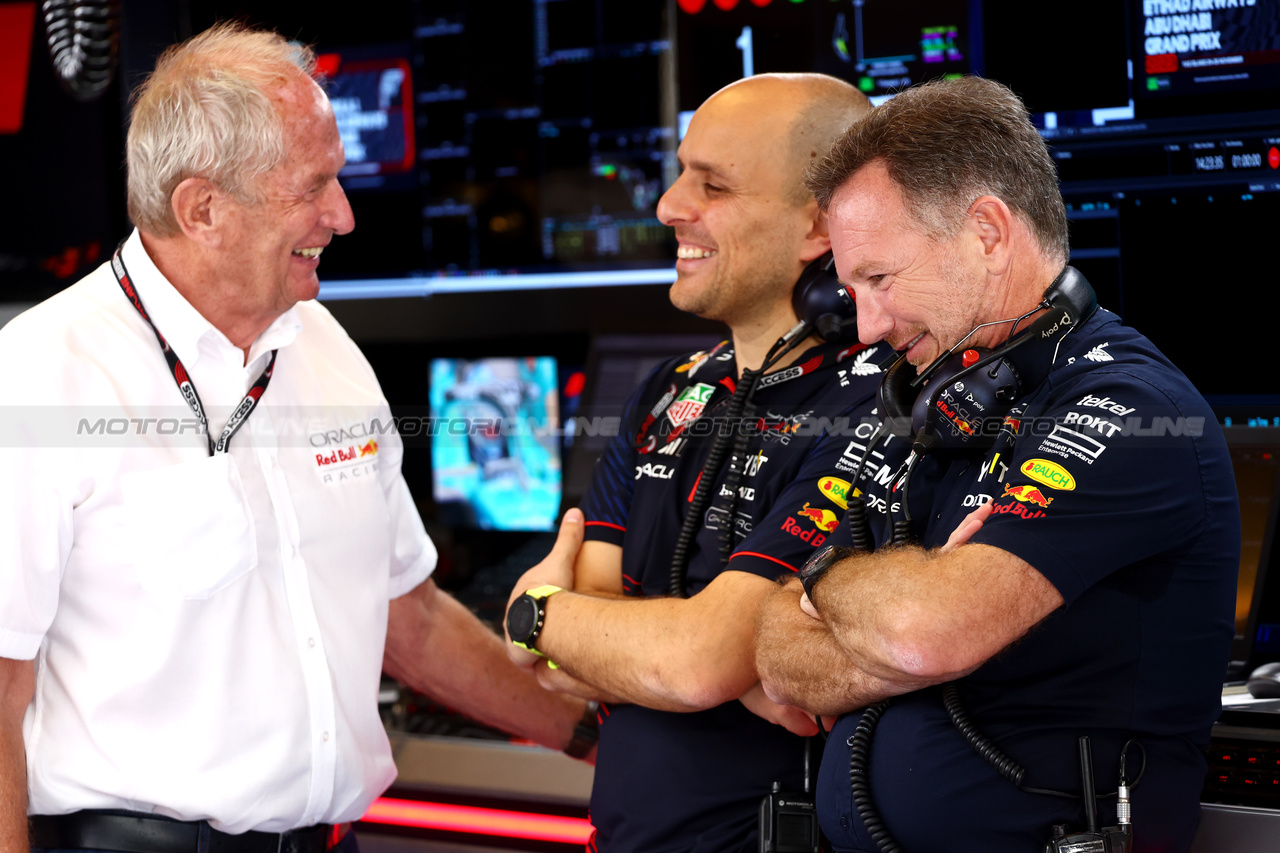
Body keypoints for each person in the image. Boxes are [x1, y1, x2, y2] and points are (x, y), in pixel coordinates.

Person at [0, 23, 593, 853]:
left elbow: (409, 615)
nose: (342, 215)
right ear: (201, 209)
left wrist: (589, 735)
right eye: (313, 185)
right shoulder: (41, 371)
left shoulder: (323, 345)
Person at [754, 76, 1239, 853]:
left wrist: (825, 581)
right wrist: (897, 623)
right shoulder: (930, 400)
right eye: (852, 290)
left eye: (879, 279)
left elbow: (923, 630)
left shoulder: (1133, 406)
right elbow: (776, 653)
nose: (868, 326)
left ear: (986, 232)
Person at [502, 73, 886, 852]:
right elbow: (564, 661)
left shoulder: (880, 403)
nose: (669, 206)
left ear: (820, 225)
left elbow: (686, 660)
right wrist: (718, 665)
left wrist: (538, 612)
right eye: (681, 173)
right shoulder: (667, 390)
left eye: (711, 185)